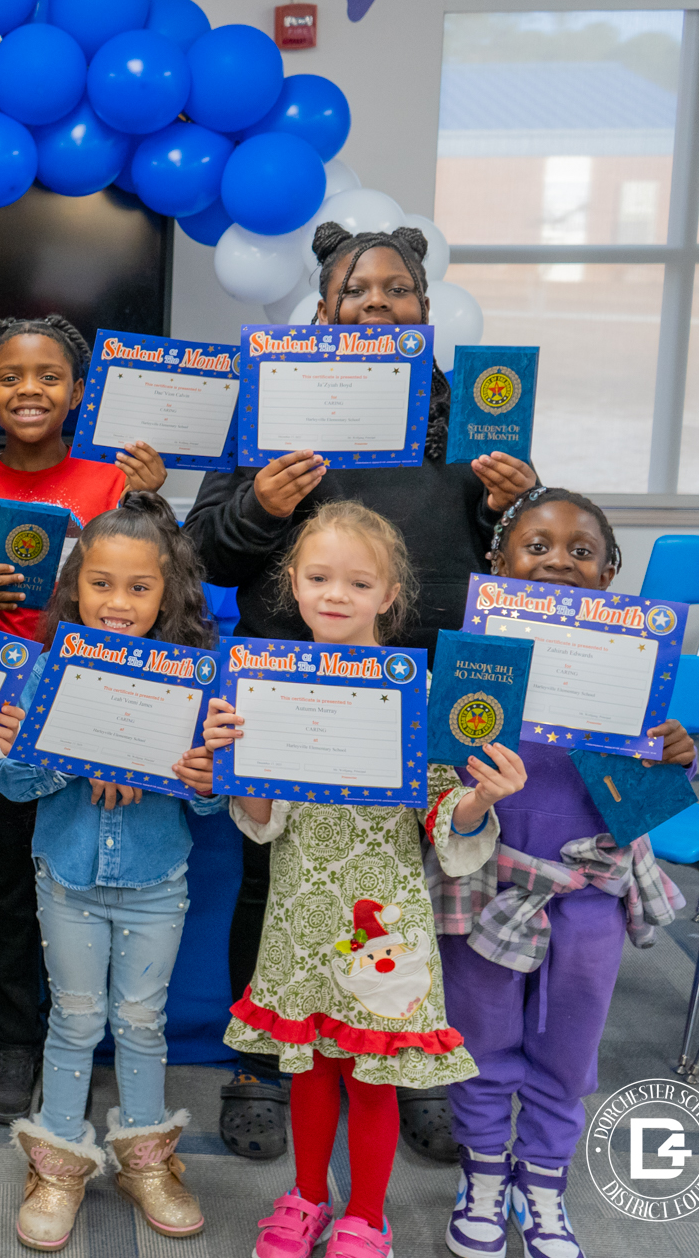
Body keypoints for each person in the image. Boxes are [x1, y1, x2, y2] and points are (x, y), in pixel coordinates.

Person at [183, 222, 538, 1163]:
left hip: (424, 684)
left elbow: (526, 570)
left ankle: (401, 1058)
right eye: (356, 289)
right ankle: (263, 1065)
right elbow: (206, 548)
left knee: (412, 886)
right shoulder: (273, 406)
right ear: (323, 306)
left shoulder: (474, 420)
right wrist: (261, 500)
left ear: (425, 306)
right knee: (275, 874)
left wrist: (515, 506)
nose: (377, 303)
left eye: (397, 288)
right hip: (295, 677)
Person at [202, 501, 527, 1258]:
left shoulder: (421, 698)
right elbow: (260, 814)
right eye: (318, 577)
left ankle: (368, 1214)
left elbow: (448, 818)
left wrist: (479, 797)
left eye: (357, 581)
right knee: (311, 1065)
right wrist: (236, 763)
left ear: (390, 594)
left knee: (373, 1073)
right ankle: (309, 1196)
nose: (335, 594)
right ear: (292, 582)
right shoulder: (269, 685)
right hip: (301, 909)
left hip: (385, 916)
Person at [437, 488, 691, 1258]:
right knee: (479, 1037)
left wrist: (667, 755)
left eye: (582, 552)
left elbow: (639, 805)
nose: (559, 562)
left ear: (610, 572)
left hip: (591, 895)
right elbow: (442, 779)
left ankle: (542, 1179)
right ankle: (482, 1172)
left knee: (570, 1046)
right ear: (498, 561)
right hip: (487, 885)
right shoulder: (475, 665)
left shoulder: (636, 674)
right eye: (537, 545)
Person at [0, 494, 219, 1250]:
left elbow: (215, 808)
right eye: (102, 584)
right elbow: (11, 784)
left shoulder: (194, 681)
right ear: (76, 589)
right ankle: (58, 1162)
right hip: (68, 880)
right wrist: (64, 756)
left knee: (142, 1020)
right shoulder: (45, 673)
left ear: (168, 592)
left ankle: (146, 1160)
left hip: (155, 879)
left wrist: (182, 773)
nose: (118, 602)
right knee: (76, 1018)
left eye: (138, 587)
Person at [0, 315, 163, 1124]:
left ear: (78, 391)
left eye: (48, 376)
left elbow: (153, 588)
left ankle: (96, 1039)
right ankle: (15, 1040)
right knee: (2, 885)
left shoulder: (113, 483)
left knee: (90, 879)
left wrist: (154, 498)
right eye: (9, 376)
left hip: (98, 715)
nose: (28, 390)